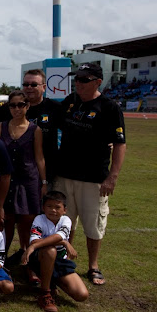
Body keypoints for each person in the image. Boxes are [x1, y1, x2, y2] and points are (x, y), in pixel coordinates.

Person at [56, 62, 126, 286]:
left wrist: (112, 176)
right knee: (66, 222)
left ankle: (93, 266)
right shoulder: (70, 101)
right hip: (65, 175)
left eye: (84, 80)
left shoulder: (109, 107)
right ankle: (64, 261)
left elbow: (120, 143)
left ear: (98, 82)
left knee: (93, 224)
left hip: (94, 177)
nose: (78, 83)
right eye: (76, 79)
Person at [0, 91, 46, 274]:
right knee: (5, 222)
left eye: (21, 105)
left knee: (27, 224)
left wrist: (44, 182)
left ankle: (29, 262)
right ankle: (1, 260)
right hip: (8, 181)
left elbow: (39, 158)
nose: (17, 109)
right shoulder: (1, 127)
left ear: (27, 106)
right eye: (13, 105)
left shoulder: (35, 130)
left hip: (29, 181)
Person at [22, 191, 89, 312]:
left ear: (64, 210)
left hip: (60, 261)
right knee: (50, 251)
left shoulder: (66, 220)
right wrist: (64, 243)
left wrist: (36, 245)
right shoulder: (39, 219)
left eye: (57, 207)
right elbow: (34, 240)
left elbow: (58, 236)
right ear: (43, 208)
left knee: (81, 295)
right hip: (40, 259)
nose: (53, 210)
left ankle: (51, 280)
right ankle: (45, 294)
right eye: (49, 206)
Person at [0, 69, 62, 185]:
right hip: (16, 176)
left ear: (44, 87)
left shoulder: (55, 108)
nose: (29, 87)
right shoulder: (10, 108)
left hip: (48, 174)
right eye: (26, 84)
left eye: (34, 84)